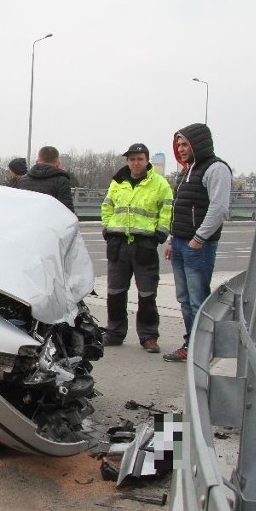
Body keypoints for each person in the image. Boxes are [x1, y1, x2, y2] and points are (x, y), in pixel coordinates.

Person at [162, 123, 231, 362]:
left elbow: (219, 208)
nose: (180, 149)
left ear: (197, 144)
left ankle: (201, 347)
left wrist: (198, 238)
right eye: (178, 144)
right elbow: (178, 210)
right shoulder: (185, 171)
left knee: (198, 299)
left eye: (185, 144)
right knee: (184, 300)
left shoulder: (216, 169)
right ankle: (191, 343)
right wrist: (172, 239)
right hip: (181, 244)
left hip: (197, 246)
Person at [101, 143, 173, 353]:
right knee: (115, 292)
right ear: (127, 161)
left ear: (147, 160)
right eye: (132, 159)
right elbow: (107, 206)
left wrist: (160, 234)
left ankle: (149, 336)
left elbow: (167, 209)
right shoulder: (118, 181)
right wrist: (107, 228)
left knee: (147, 293)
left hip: (144, 244)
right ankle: (115, 333)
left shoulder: (160, 184)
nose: (135, 163)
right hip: (118, 243)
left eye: (140, 159)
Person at [15, 145, 75, 213]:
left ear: (37, 161)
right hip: (50, 222)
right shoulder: (61, 181)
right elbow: (68, 212)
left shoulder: (22, 180)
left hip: (27, 221)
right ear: (58, 163)